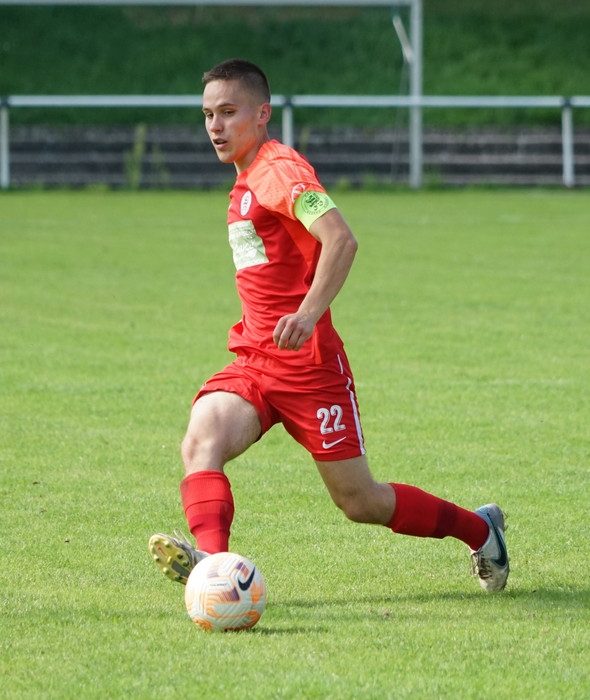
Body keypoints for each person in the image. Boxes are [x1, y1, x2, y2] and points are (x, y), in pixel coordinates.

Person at [148, 59, 508, 593]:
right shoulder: (245, 179)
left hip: (309, 368)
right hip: (256, 360)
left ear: (262, 114)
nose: (215, 127)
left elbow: (341, 238)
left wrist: (307, 313)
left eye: (228, 112)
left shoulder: (280, 171)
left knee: (360, 502)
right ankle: (215, 571)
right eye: (207, 115)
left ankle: (481, 530)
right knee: (201, 440)